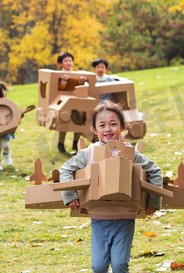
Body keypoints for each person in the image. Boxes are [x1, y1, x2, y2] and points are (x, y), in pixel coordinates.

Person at [59, 101, 163, 273]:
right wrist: (70, 196)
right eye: (102, 125)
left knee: (120, 265)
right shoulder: (88, 153)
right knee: (99, 267)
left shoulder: (131, 152)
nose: (108, 129)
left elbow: (155, 171)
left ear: (122, 127)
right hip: (99, 217)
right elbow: (66, 169)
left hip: (125, 217)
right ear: (94, 129)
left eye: (113, 124)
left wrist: (154, 199)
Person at [56, 51, 85, 154]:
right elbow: (59, 89)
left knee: (78, 123)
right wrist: (64, 81)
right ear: (60, 64)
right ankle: (60, 144)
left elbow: (78, 86)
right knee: (63, 124)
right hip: (63, 103)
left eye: (70, 60)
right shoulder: (59, 75)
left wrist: (81, 81)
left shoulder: (76, 74)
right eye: (66, 61)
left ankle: (75, 143)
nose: (68, 62)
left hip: (75, 103)